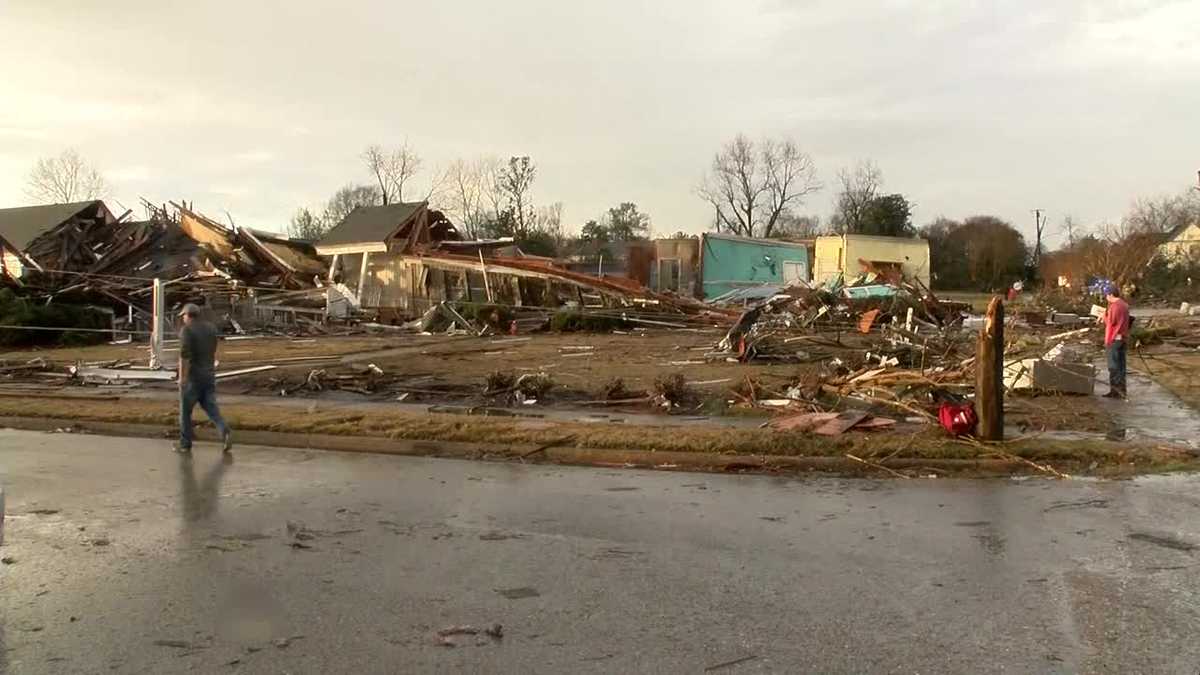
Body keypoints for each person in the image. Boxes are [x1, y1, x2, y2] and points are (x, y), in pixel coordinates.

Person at [175, 303, 233, 453]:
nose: (183, 319)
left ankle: (185, 443)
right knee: (211, 408)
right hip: (208, 374)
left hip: (193, 376)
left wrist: (182, 378)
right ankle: (224, 430)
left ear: (188, 316)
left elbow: (184, 356)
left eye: (183, 316)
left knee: (185, 411)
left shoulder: (187, 330)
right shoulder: (210, 328)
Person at [1100, 285, 1131, 399]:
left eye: (1106, 295)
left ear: (1111, 294)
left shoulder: (1115, 306)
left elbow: (1111, 322)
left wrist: (1104, 317)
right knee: (1121, 366)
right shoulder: (1124, 305)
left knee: (1113, 367)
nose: (1106, 298)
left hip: (1114, 339)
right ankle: (1122, 391)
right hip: (1123, 338)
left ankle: (1115, 391)